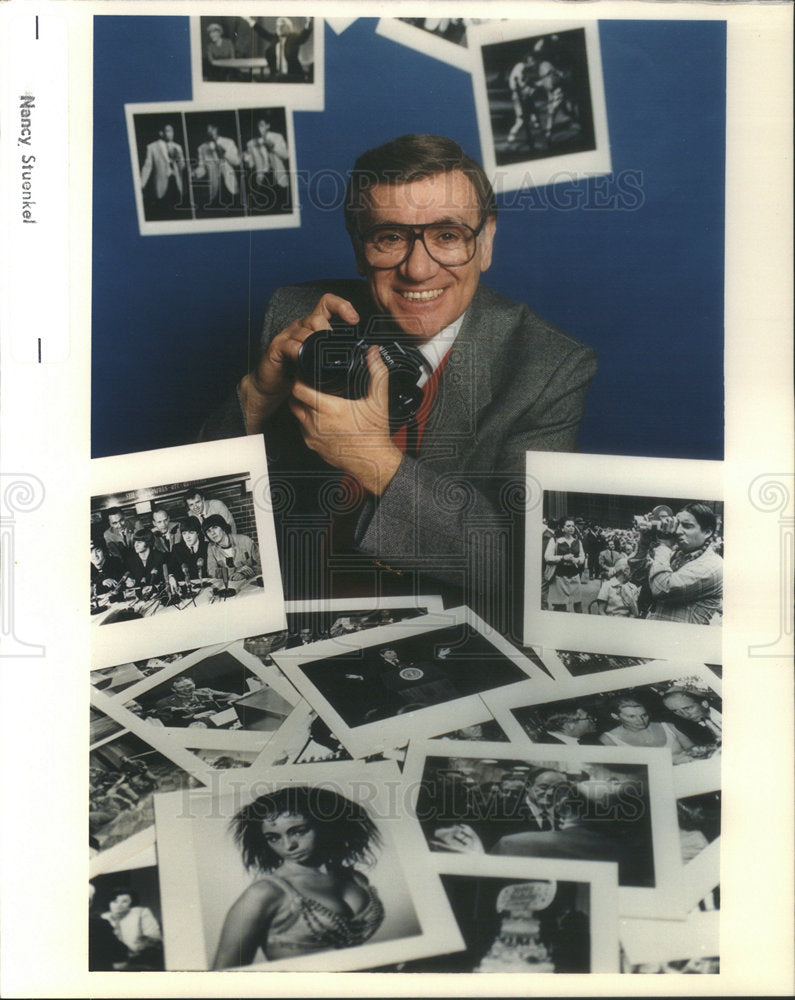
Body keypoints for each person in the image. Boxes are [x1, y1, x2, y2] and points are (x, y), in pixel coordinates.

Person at [200, 134, 597, 624]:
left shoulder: (548, 365)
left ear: (486, 240)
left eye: (448, 236)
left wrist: (373, 461)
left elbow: (521, 563)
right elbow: (205, 501)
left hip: (453, 630)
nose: (418, 268)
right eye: (389, 238)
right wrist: (255, 396)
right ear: (358, 246)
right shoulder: (297, 313)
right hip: (295, 611)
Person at [212, 786, 384, 967]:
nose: (288, 845)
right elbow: (222, 978)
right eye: (273, 837)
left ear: (326, 824)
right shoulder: (265, 893)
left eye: (298, 831)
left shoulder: (354, 878)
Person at [631, 503, 723, 625]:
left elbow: (662, 589)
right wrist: (644, 543)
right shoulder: (676, 554)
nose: (678, 531)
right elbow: (638, 576)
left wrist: (664, 545)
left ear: (707, 532)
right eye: (678, 524)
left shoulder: (713, 566)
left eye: (687, 526)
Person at [598, 696, 694, 764]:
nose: (641, 721)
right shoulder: (609, 739)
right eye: (631, 716)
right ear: (616, 716)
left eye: (644, 715)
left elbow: (697, 752)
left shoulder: (669, 727)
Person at [101, 887, 164, 970]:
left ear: (131, 902)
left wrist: (133, 951)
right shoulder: (103, 917)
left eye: (124, 901)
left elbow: (154, 937)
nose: (119, 905)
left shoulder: (141, 913)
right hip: (112, 961)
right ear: (109, 903)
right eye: (114, 901)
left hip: (138, 959)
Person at [139, 123, 185, 219]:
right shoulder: (152, 147)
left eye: (172, 131)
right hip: (161, 185)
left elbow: (182, 166)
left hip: (175, 184)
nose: (171, 134)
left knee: (176, 214)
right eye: (168, 131)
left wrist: (178, 158)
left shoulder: (178, 147)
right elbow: (148, 166)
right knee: (162, 213)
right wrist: (141, 184)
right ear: (161, 133)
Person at [244, 117, 290, 213]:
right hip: (264, 178)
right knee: (266, 210)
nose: (259, 129)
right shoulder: (252, 143)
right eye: (258, 126)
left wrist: (273, 146)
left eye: (261, 125)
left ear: (268, 126)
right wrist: (245, 159)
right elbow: (251, 164)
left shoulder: (277, 137)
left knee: (283, 208)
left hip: (279, 177)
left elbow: (286, 155)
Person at [203, 514, 261, 588]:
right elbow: (212, 572)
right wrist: (236, 571)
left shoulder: (245, 541)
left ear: (223, 527)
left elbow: (262, 564)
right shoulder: (211, 548)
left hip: (252, 584)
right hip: (230, 585)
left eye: (215, 527)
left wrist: (244, 573)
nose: (212, 533)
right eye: (208, 531)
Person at [151, 675, 236, 726]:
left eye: (189, 685)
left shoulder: (205, 691)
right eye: (181, 687)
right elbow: (170, 723)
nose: (187, 689)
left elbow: (230, 695)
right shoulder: (164, 703)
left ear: (194, 684)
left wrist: (234, 700)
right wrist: (194, 717)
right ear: (173, 690)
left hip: (219, 719)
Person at [249, 17, 313, 81]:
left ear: (288, 27)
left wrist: (309, 22)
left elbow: (304, 35)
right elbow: (262, 31)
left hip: (293, 76)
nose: (279, 28)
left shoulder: (294, 38)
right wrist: (249, 20)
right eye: (277, 26)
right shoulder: (274, 38)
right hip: (275, 76)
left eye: (282, 26)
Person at [193, 124, 242, 207]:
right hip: (215, 189)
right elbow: (202, 168)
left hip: (230, 187)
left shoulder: (228, 142)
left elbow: (237, 162)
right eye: (208, 130)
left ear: (217, 129)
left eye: (212, 129)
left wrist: (225, 153)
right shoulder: (202, 148)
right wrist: (195, 173)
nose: (210, 132)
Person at [545, 518, 585, 612]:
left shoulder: (578, 542)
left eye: (572, 526)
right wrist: (563, 558)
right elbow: (547, 557)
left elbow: (582, 557)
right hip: (559, 578)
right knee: (560, 606)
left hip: (575, 577)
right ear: (562, 528)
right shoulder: (555, 541)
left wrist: (577, 560)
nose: (571, 528)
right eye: (568, 526)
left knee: (578, 604)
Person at [168, 516, 209, 585]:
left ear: (198, 532)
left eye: (191, 532)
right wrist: (171, 577)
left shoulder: (207, 546)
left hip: (206, 583)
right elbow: (171, 569)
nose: (187, 537)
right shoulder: (176, 548)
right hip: (186, 586)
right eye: (184, 533)